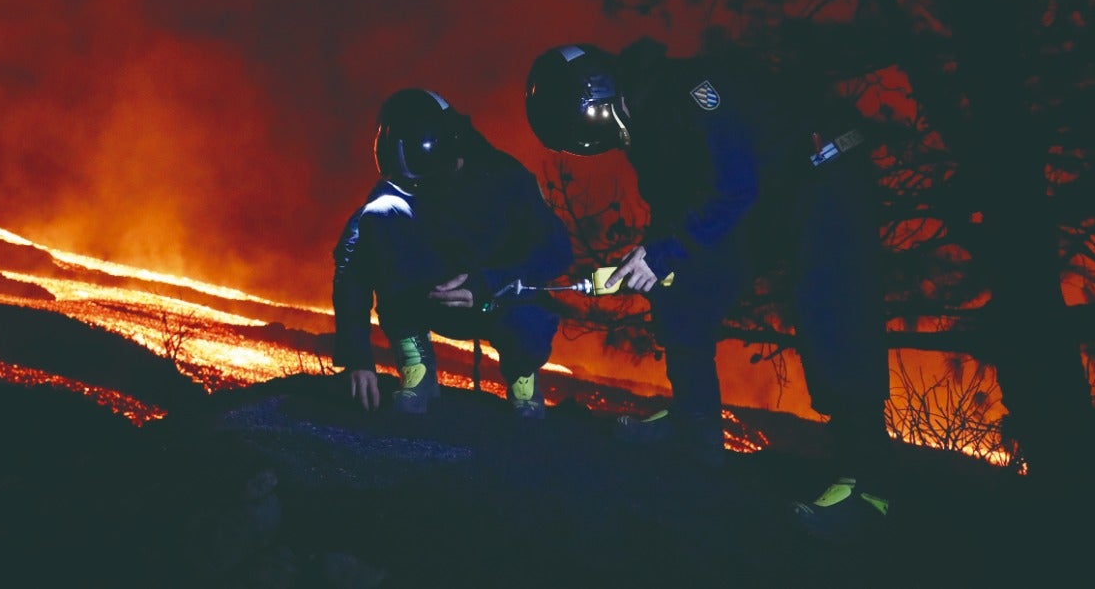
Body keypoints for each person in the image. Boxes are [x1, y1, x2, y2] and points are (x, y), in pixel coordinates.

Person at [524, 37, 892, 540]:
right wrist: (645, 260)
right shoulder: (643, 130)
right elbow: (675, 211)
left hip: (821, 170)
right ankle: (695, 431)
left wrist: (664, 252)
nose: (590, 141)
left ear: (597, 93)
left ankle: (866, 485)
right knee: (682, 288)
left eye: (583, 126)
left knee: (829, 307)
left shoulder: (691, 92)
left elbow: (736, 184)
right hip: (765, 197)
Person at [332, 87, 575, 420]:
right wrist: (357, 358)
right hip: (428, 302)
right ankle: (417, 367)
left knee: (528, 319)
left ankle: (523, 375)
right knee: (381, 223)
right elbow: (352, 270)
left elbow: (558, 250)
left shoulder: (506, 179)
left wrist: (489, 282)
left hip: (498, 301)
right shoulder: (394, 194)